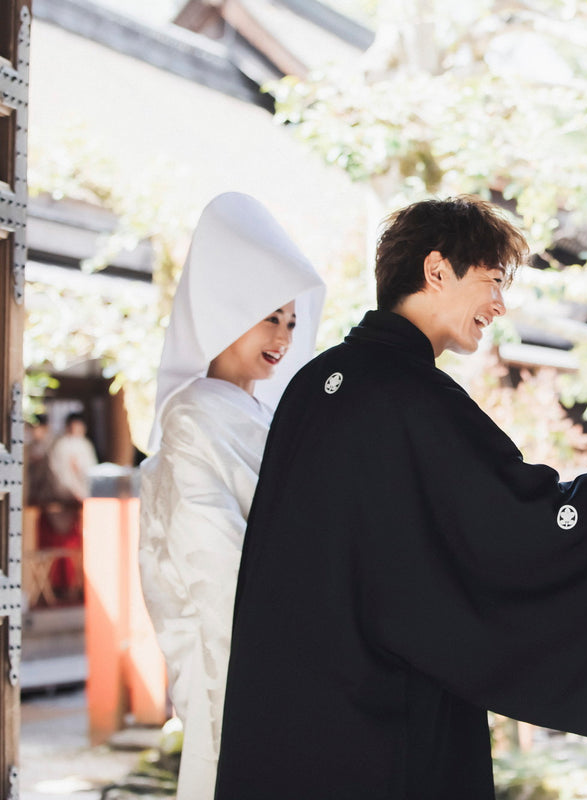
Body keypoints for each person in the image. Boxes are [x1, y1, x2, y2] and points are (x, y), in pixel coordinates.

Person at [213, 195, 587, 799]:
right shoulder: (414, 397)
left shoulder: (314, 383)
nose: (499, 304)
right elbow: (521, 521)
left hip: (286, 692)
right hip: (383, 708)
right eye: (493, 281)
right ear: (436, 269)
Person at [139, 192, 327, 800]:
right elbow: (209, 558)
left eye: (292, 323)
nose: (283, 336)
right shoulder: (193, 414)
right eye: (269, 317)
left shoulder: (262, 414)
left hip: (280, 628)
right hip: (234, 641)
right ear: (226, 311)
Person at [44, 412, 98, 597]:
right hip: (65, 501)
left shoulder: (85, 445)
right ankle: (63, 587)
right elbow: (60, 474)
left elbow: (90, 471)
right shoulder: (61, 445)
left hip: (84, 500)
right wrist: (74, 493)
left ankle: (83, 587)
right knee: (64, 547)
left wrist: (86, 492)